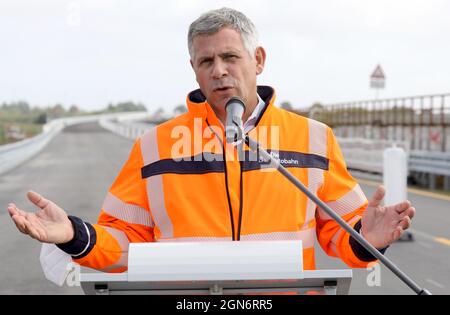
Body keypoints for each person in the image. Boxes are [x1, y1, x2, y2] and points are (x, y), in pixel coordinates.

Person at [7, 7, 415, 273]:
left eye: (230, 57)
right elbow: (126, 242)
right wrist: (75, 235)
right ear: (194, 70)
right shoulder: (154, 147)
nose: (219, 71)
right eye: (206, 61)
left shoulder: (314, 139)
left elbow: (342, 235)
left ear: (258, 60)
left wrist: (367, 239)